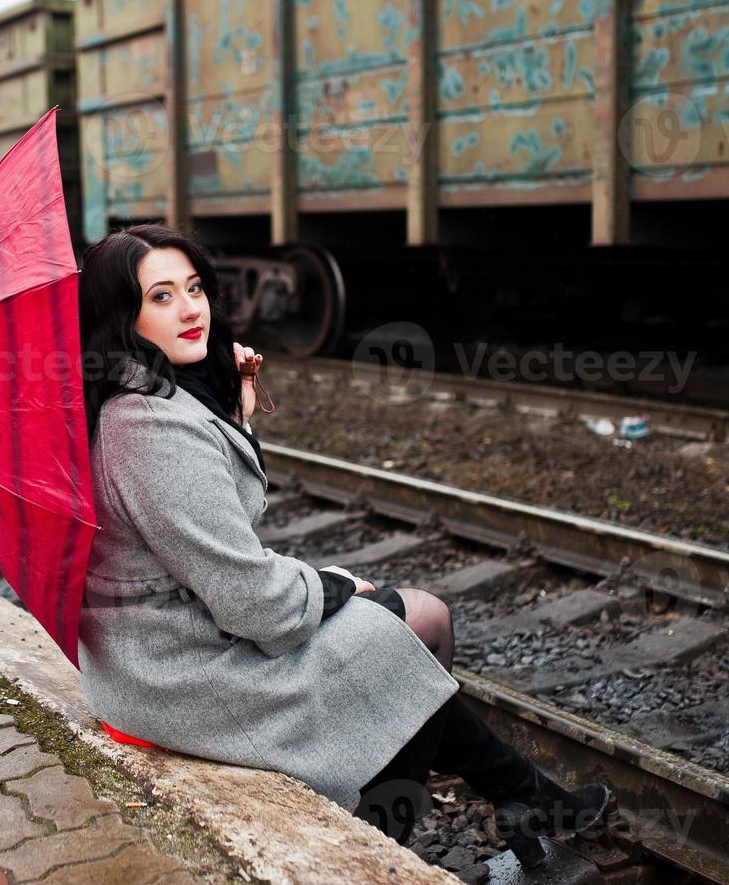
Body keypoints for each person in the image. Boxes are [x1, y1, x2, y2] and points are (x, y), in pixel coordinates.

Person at [76, 224, 609, 866]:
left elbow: (214, 533)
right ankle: (381, 843)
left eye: (194, 288)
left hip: (167, 648)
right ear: (121, 316)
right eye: (160, 297)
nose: (191, 310)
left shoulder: (150, 397)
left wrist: (233, 408)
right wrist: (330, 585)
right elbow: (255, 606)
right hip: (175, 675)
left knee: (405, 625)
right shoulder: (150, 430)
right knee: (407, 628)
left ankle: (508, 798)